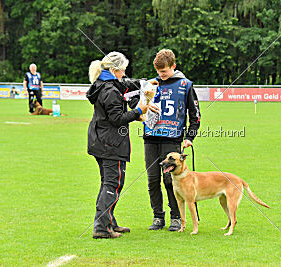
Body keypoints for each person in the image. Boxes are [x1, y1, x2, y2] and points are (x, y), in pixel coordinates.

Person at [86, 51, 150, 239]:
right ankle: (101, 228)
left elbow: (127, 84)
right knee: (112, 184)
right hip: (111, 143)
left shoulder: (102, 85)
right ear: (114, 70)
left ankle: (109, 222)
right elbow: (117, 119)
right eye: (122, 70)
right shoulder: (110, 91)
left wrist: (145, 83)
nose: (124, 74)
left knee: (108, 182)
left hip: (100, 140)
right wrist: (139, 110)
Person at [143, 49, 201, 231]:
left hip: (172, 138)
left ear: (173, 67)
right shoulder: (150, 84)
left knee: (169, 180)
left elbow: (195, 115)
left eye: (165, 72)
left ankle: (176, 217)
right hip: (151, 137)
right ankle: (158, 217)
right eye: (159, 72)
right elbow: (137, 105)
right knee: (153, 180)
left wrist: (190, 136)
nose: (161, 75)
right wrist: (143, 102)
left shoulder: (185, 84)